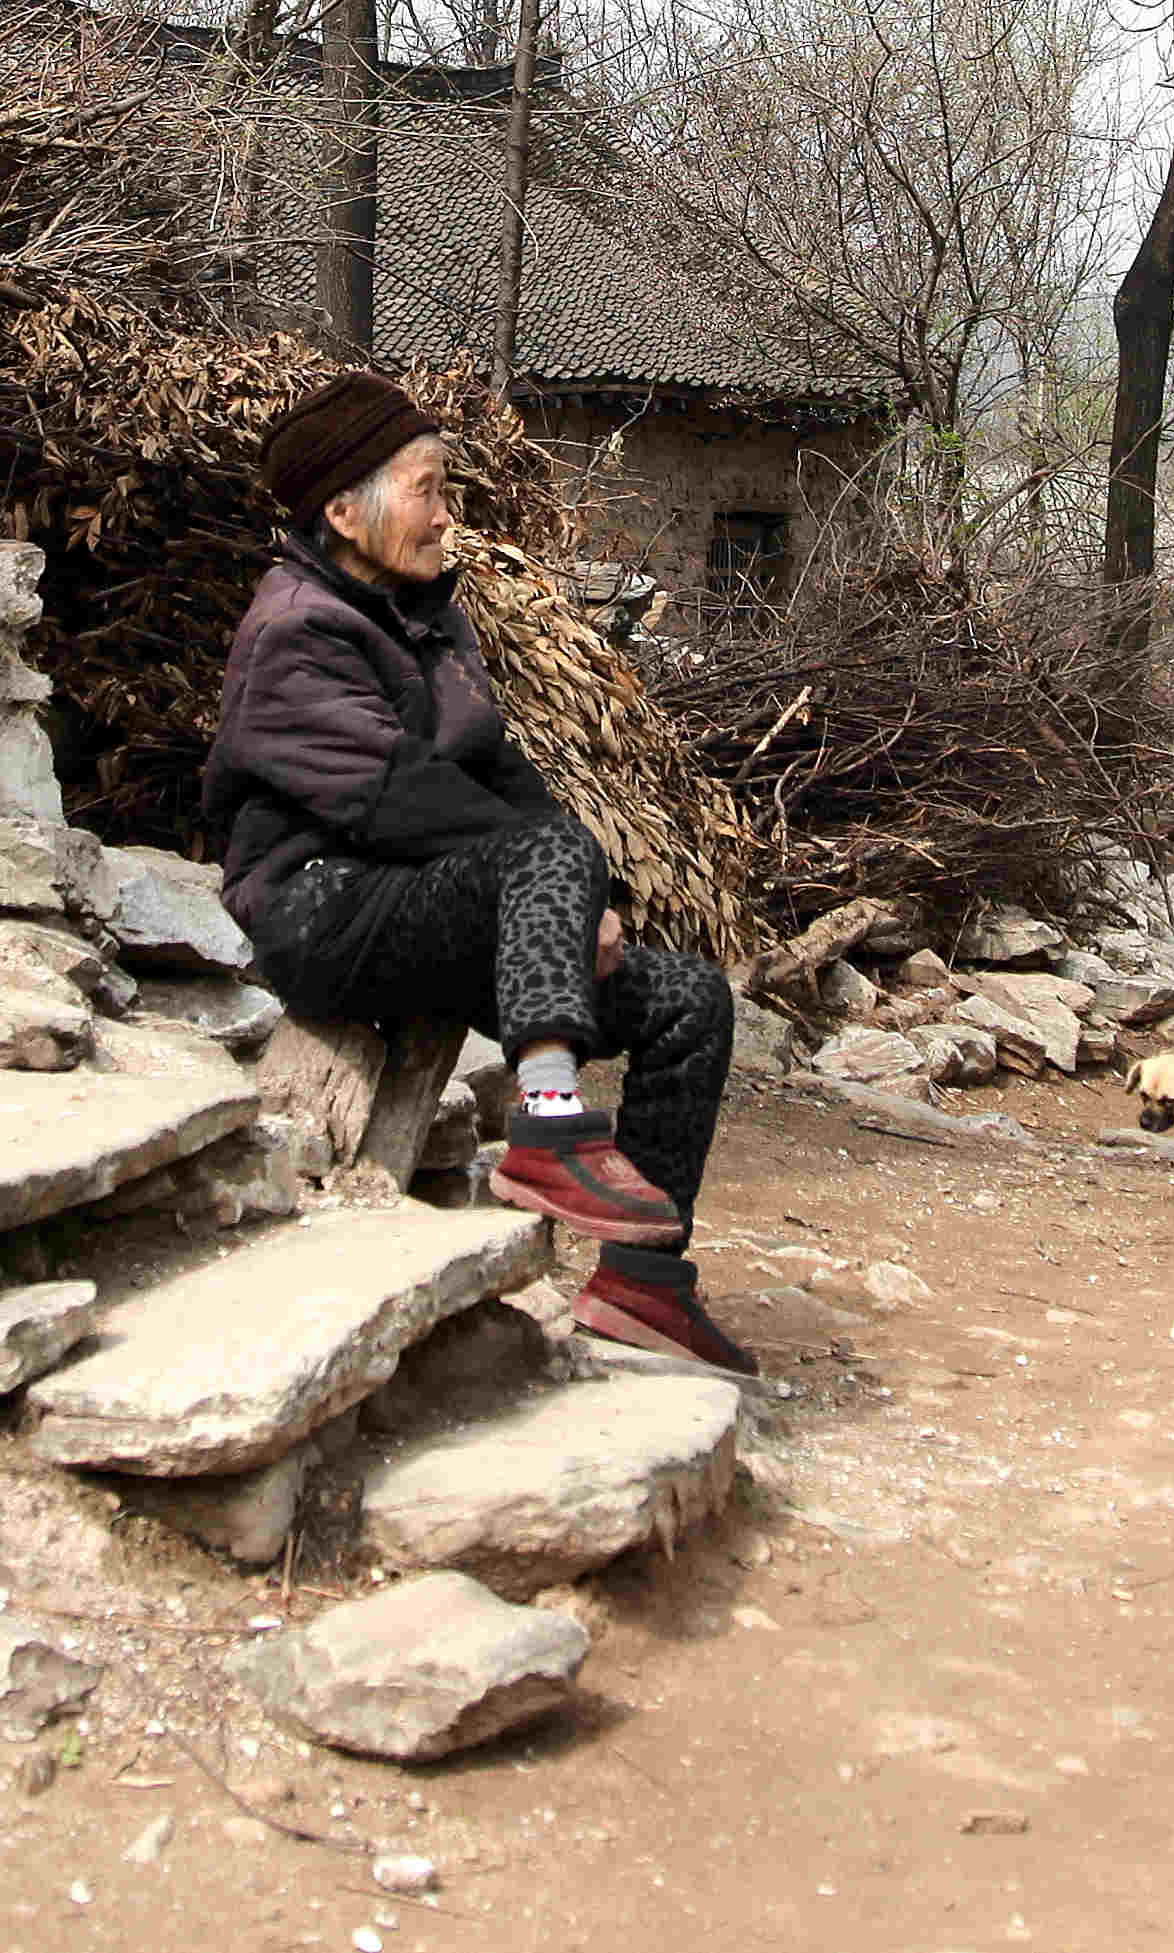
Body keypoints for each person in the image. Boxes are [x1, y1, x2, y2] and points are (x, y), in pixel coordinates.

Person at [202, 371, 755, 1375]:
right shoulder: (295, 633)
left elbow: (503, 772)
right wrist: (553, 868)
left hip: (434, 901)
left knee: (688, 1001)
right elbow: (397, 798)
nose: (445, 516)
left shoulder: (426, 615)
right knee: (548, 849)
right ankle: (550, 1122)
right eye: (426, 489)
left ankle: (645, 1284)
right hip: (326, 910)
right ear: (342, 509)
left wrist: (584, 895)